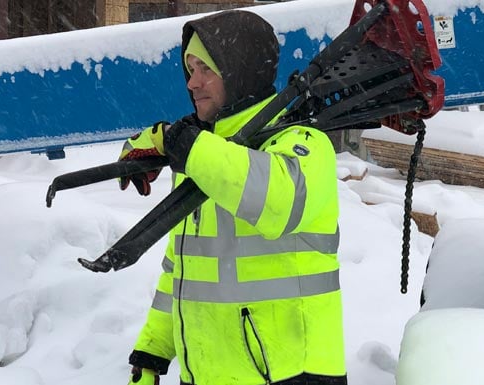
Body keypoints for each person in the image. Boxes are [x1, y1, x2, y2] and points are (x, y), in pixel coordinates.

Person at [118, 10, 346, 385]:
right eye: (190, 69)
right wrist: (152, 352)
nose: (193, 83)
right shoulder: (205, 158)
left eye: (205, 69)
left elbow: (277, 202)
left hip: (289, 375)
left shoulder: (301, 144)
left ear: (240, 70)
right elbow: (183, 268)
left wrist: (187, 145)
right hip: (208, 374)